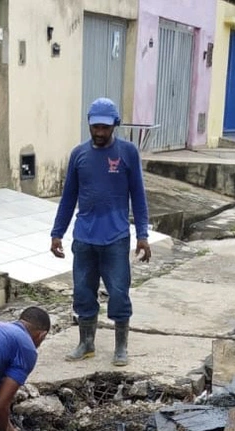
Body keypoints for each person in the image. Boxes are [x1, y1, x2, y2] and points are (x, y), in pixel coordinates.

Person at [50, 97, 150, 367]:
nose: (100, 132)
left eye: (105, 128)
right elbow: (68, 196)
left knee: (119, 291)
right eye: (96, 127)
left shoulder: (128, 153)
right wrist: (57, 232)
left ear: (115, 125)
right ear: (89, 124)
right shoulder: (78, 155)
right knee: (83, 291)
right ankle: (86, 343)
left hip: (116, 237)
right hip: (84, 238)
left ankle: (120, 347)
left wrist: (143, 234)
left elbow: (138, 196)